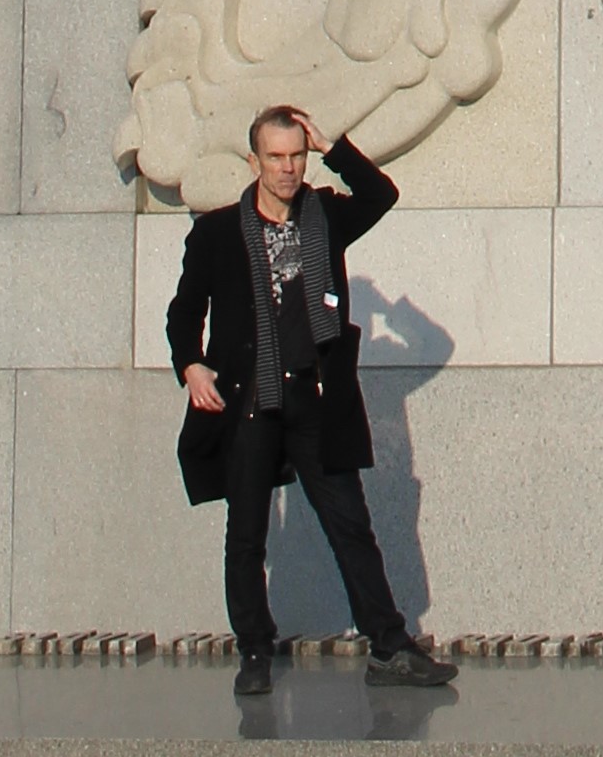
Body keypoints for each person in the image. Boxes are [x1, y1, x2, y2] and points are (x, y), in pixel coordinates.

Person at [168, 102, 455, 696]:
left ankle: (389, 646)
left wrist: (333, 147)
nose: (287, 168)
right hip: (250, 399)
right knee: (247, 533)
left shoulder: (325, 216)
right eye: (275, 157)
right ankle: (254, 650)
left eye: (296, 156)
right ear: (254, 161)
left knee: (351, 526)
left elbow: (380, 194)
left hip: (317, 400)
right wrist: (191, 365)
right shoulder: (218, 233)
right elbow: (184, 312)